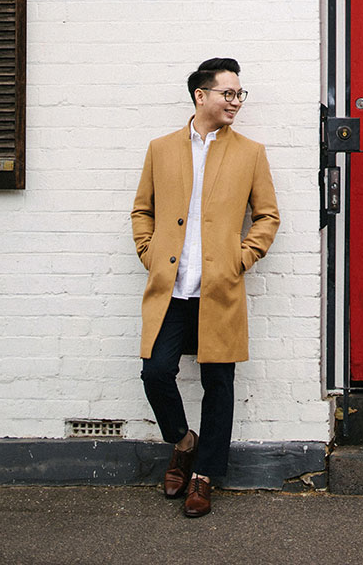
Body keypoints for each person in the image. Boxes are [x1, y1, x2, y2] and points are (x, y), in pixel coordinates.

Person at [131, 57, 280, 518]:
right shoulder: (161, 149)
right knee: (156, 372)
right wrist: (150, 253)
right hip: (171, 288)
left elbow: (267, 216)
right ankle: (183, 442)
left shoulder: (250, 153)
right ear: (201, 95)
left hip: (218, 288)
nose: (236, 102)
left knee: (218, 383)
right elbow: (142, 210)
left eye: (239, 94)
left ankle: (205, 475)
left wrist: (241, 258)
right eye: (227, 93)